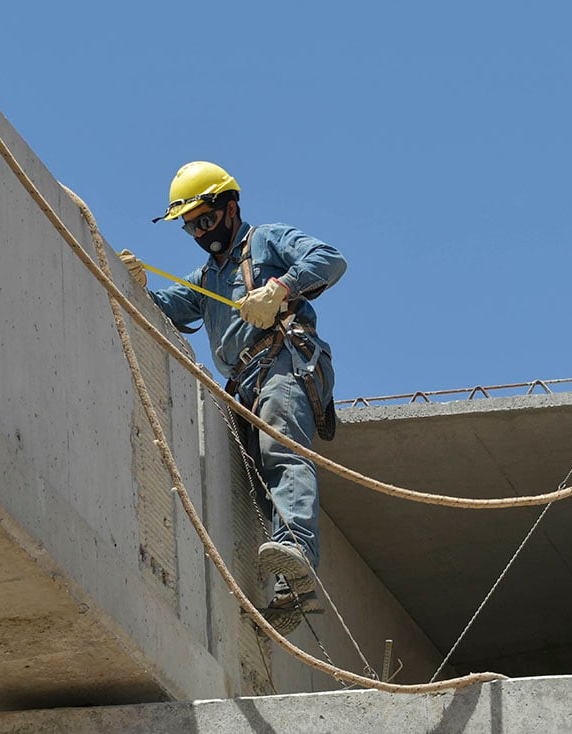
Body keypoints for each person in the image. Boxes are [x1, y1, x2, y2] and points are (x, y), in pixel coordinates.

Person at [119, 161, 346, 633]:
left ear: (230, 208)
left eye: (204, 219)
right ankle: (293, 588)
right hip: (244, 384)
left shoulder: (265, 241)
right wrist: (134, 286)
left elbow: (329, 258)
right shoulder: (206, 280)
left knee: (282, 452)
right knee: (263, 482)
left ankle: (299, 553)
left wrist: (279, 286)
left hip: (283, 361)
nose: (200, 232)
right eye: (190, 226)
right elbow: (165, 310)